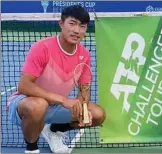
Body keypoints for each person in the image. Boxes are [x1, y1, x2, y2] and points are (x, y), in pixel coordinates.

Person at [7, 5, 106, 153]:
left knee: (97, 114)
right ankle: (32, 148)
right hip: (26, 103)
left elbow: (84, 89)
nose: (77, 30)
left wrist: (82, 106)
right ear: (61, 23)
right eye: (72, 24)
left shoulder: (84, 55)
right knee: (38, 105)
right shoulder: (42, 48)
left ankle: (54, 130)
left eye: (82, 26)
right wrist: (62, 99)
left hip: (55, 107)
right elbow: (24, 86)